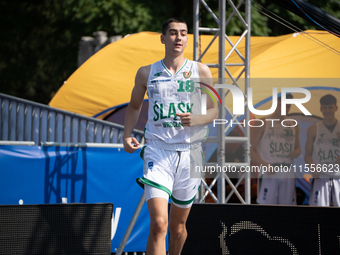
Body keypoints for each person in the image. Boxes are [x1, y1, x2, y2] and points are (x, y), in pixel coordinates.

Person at [123, 18, 218, 255]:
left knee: (177, 228)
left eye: (184, 33)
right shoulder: (147, 72)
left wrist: (196, 119)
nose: (179, 38)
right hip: (158, 150)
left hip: (190, 154)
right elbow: (134, 106)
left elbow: (215, 110)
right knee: (159, 224)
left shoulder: (200, 70)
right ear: (163, 38)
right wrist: (126, 135)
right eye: (173, 33)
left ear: (187, 39)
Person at [250, 93, 301, 205]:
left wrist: (296, 152)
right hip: (269, 170)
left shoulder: (293, 124)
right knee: (267, 208)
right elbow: (248, 150)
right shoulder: (262, 122)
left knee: (287, 209)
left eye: (288, 106)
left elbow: (298, 148)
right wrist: (264, 164)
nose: (285, 108)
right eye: (282, 105)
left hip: (287, 171)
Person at [305, 94, 340, 206]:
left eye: (330, 107)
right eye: (324, 108)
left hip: (339, 175)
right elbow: (307, 155)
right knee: (319, 212)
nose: (327, 110)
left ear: (336, 108)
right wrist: (312, 168)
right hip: (321, 175)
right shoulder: (314, 129)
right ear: (320, 109)